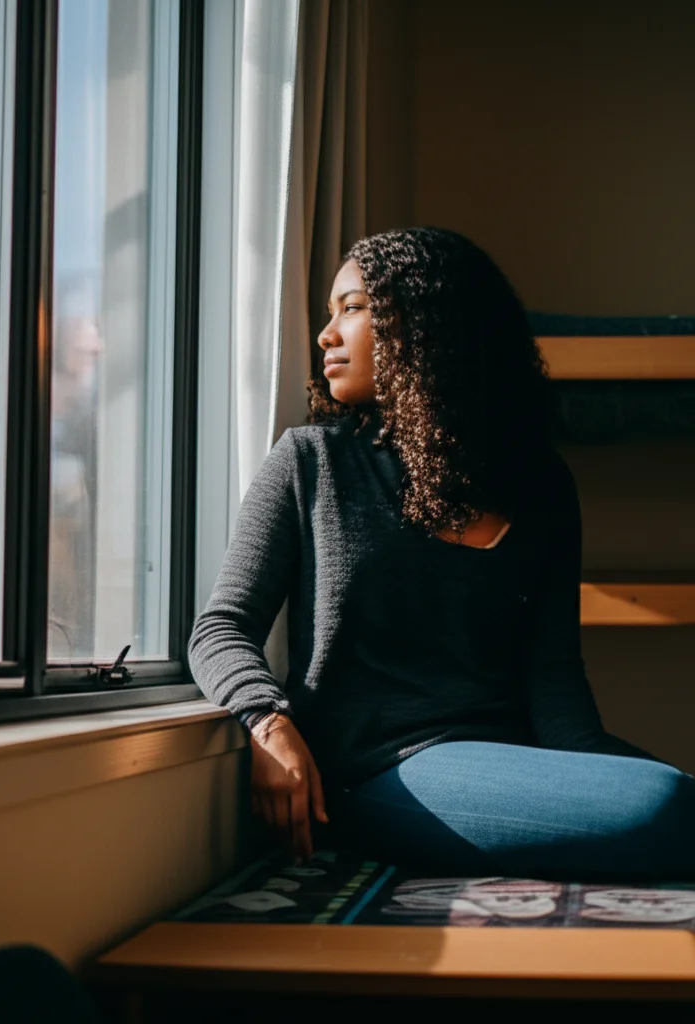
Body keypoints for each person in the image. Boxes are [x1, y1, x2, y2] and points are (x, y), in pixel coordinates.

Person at [187, 227, 695, 883]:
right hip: (378, 772)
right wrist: (267, 721)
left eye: (353, 307)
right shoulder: (310, 462)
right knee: (667, 804)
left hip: (510, 768)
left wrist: (623, 781)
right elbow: (220, 626)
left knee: (666, 794)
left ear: (425, 324)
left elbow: (557, 689)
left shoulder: (540, 486)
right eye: (330, 311)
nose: (325, 335)